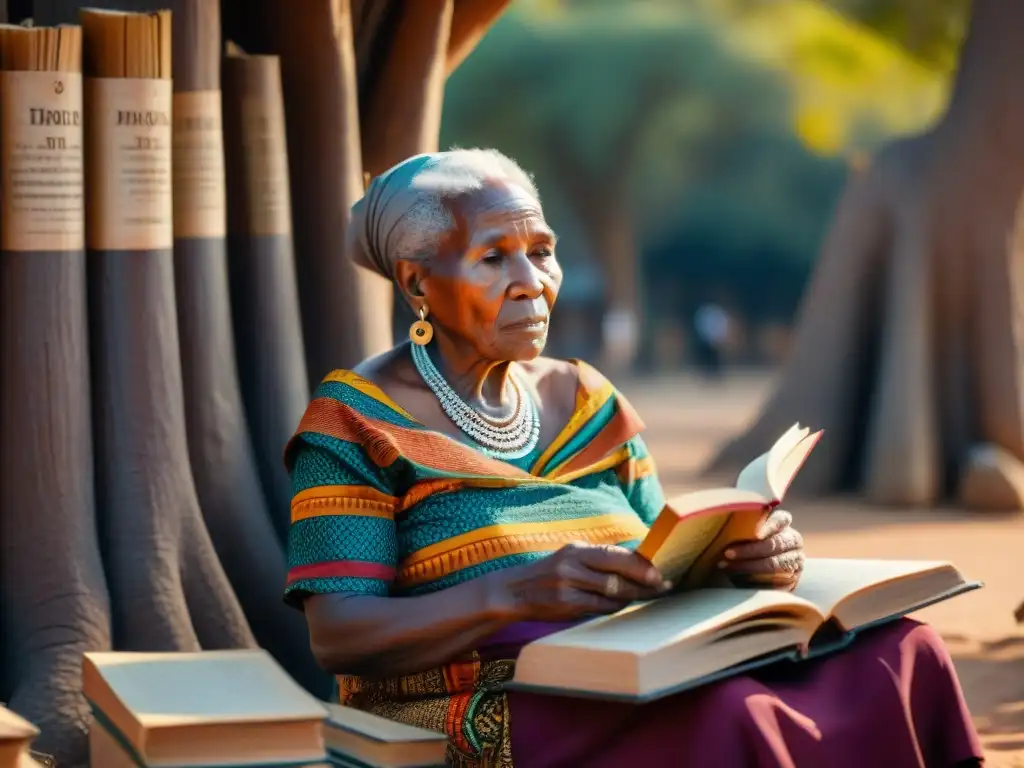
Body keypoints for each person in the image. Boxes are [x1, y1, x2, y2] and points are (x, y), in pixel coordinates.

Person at [284, 149, 982, 768]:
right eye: (494, 257)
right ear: (415, 284)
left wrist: (746, 559)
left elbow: (662, 555)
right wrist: (512, 594)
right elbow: (339, 634)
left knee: (903, 653)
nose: (532, 281)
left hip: (646, 666)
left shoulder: (588, 398)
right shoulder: (357, 421)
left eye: (543, 250)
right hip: (491, 698)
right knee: (731, 714)